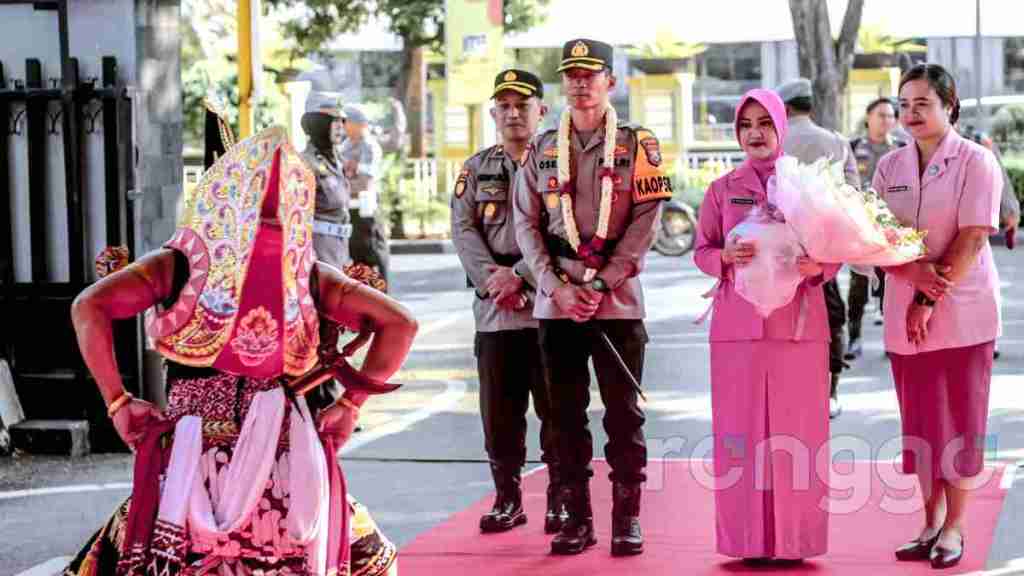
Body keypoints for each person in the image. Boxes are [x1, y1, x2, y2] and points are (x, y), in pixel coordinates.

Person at [61, 125, 417, 575]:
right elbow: (400, 324)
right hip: (288, 460)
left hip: (189, 460)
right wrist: (350, 405)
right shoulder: (309, 273)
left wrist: (117, 401)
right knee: (360, 556)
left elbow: (88, 306)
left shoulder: (175, 265)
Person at [514, 38, 671, 557]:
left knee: (623, 414)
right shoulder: (542, 147)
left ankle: (628, 517)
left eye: (591, 73)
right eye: (572, 74)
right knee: (563, 416)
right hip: (556, 301)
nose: (580, 83)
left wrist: (601, 283)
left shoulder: (638, 143)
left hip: (617, 300)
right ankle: (576, 518)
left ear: (611, 81)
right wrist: (557, 287)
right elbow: (526, 224)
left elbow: (646, 223)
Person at [694, 88, 837, 563]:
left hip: (798, 328)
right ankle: (747, 542)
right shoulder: (721, 188)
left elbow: (834, 251)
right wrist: (724, 259)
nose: (755, 133)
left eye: (764, 124)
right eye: (745, 125)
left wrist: (820, 266)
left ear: (780, 128)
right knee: (741, 435)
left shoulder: (806, 188)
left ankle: (796, 542)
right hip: (738, 331)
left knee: (799, 435)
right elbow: (702, 249)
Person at [875, 63, 1002, 570]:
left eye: (922, 104)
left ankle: (956, 527)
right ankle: (929, 522)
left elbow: (972, 236)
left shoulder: (976, 162)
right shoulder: (890, 167)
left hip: (962, 311)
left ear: (950, 106)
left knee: (960, 425)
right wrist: (914, 276)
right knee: (922, 424)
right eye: (904, 105)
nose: (911, 114)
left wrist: (929, 297)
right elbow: (877, 234)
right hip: (903, 307)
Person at [451, 69, 564, 535]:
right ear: (494, 113)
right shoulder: (477, 168)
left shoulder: (561, 163)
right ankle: (507, 498)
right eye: (505, 106)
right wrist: (496, 282)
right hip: (496, 310)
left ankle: (562, 496)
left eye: (523, 105)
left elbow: (566, 230)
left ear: (542, 110)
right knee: (500, 413)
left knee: (558, 411)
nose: (514, 113)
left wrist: (521, 276)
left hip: (547, 305)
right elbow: (463, 230)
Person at [775, 77, 860, 419]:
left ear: (785, 108)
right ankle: (830, 392)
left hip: (777, 251)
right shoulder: (837, 142)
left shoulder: (773, 139)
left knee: (778, 323)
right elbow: (853, 194)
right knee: (830, 320)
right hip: (822, 253)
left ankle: (784, 392)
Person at [847, 97, 906, 358]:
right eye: (881, 115)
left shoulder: (903, 148)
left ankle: (892, 339)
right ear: (868, 117)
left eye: (891, 116)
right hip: (861, 226)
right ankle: (855, 337)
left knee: (892, 283)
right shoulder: (853, 147)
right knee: (859, 283)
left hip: (891, 225)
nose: (887, 121)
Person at [340, 104, 390, 290]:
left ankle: (382, 300)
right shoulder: (345, 145)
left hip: (366, 211)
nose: (342, 125)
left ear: (358, 124)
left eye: (346, 121)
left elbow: (364, 181)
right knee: (356, 260)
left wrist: (349, 175)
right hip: (349, 211)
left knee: (373, 257)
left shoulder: (369, 146)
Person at [302, 91, 353, 271]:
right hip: (319, 255)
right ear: (318, 125)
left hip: (340, 250)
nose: (340, 127)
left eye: (342, 121)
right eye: (334, 121)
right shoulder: (305, 163)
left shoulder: (337, 161)